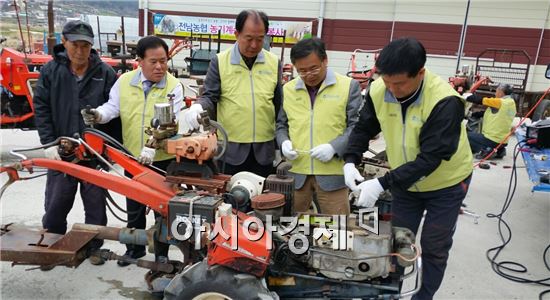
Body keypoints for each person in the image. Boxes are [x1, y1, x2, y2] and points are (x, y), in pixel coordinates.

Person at [343, 37, 473, 300]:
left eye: (399, 84)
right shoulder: (380, 89)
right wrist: (349, 159)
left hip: (445, 185)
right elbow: (365, 126)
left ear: (420, 73)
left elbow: (430, 159)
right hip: (406, 184)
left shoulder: (445, 101)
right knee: (399, 243)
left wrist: (381, 183)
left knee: (435, 246)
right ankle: (390, 293)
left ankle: (423, 296)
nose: (391, 89)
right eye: (387, 81)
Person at [81, 36, 183, 266]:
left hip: (162, 160)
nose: (159, 67)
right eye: (153, 61)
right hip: (132, 158)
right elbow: (112, 107)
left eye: (163, 61)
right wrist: (98, 115)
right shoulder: (124, 81)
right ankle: (133, 249)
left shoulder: (173, 86)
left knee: (163, 210)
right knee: (133, 207)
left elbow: (167, 124)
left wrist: (151, 148)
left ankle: (162, 254)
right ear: (139, 61)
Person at [33, 20, 120, 265]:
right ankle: (51, 248)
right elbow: (41, 108)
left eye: (85, 46)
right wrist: (49, 143)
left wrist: (110, 150)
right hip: (62, 151)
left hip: (94, 153)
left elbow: (115, 112)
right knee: (55, 205)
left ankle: (92, 248)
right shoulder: (51, 71)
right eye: (75, 45)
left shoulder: (105, 73)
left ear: (92, 47)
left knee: (95, 208)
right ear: (64, 42)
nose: (80, 51)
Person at [183, 9, 282, 178]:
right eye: (249, 38)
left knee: (263, 201)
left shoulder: (273, 63)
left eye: (260, 39)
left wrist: (281, 142)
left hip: (264, 150)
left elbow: (279, 104)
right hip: (231, 150)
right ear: (237, 34)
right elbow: (210, 96)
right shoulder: (220, 61)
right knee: (230, 199)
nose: (254, 45)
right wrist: (198, 106)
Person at [276, 38, 360, 215]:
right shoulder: (288, 90)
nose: (309, 75)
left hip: (333, 175)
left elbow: (356, 127)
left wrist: (334, 147)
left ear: (325, 60)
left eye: (314, 68)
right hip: (296, 174)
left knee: (336, 230)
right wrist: (283, 142)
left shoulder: (347, 86)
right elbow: (281, 124)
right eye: (302, 71)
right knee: (291, 228)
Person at [465, 83, 516, 159]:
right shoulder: (511, 104)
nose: (495, 93)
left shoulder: (499, 102)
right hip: (503, 141)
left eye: (496, 91)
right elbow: (495, 113)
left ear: (501, 92)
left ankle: (486, 150)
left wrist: (465, 95)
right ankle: (500, 150)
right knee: (477, 137)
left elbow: (480, 100)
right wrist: (473, 114)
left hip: (492, 139)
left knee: (465, 135)